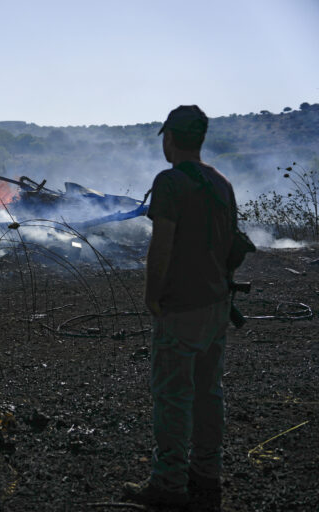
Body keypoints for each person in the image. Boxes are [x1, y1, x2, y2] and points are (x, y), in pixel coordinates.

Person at [123, 105, 236, 506]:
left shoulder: (169, 182)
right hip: (217, 303)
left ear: (170, 138)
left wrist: (153, 294)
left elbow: (162, 245)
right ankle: (207, 476)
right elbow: (229, 245)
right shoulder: (221, 183)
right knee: (209, 393)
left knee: (172, 397)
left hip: (182, 306)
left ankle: (167, 485)